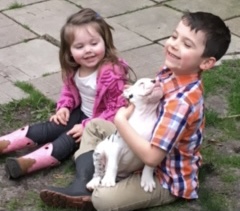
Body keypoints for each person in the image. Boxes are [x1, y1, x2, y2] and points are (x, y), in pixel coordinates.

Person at [40, 11, 231, 211]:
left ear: (206, 62)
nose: (174, 44)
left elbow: (152, 158)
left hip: (163, 175)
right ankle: (83, 183)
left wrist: (121, 120)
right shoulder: (170, 72)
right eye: (174, 36)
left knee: (103, 200)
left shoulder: (182, 103)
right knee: (95, 126)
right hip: (145, 140)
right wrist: (132, 97)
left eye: (187, 44)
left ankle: (94, 186)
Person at [0, 8, 134, 179]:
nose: (88, 50)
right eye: (80, 46)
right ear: (69, 50)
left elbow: (117, 108)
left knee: (68, 140)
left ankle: (26, 164)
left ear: (105, 42)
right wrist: (64, 107)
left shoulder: (111, 73)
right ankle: (5, 143)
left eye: (94, 44)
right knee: (51, 127)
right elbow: (69, 91)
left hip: (99, 123)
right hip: (81, 113)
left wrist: (87, 126)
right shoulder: (75, 68)